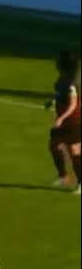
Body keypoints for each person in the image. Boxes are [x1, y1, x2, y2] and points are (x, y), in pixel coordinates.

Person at [47, 51, 81, 193]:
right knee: (54, 145)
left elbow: (73, 104)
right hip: (64, 121)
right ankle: (64, 176)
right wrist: (53, 102)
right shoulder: (61, 80)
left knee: (74, 151)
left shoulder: (71, 84)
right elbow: (60, 96)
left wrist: (61, 118)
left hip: (74, 121)